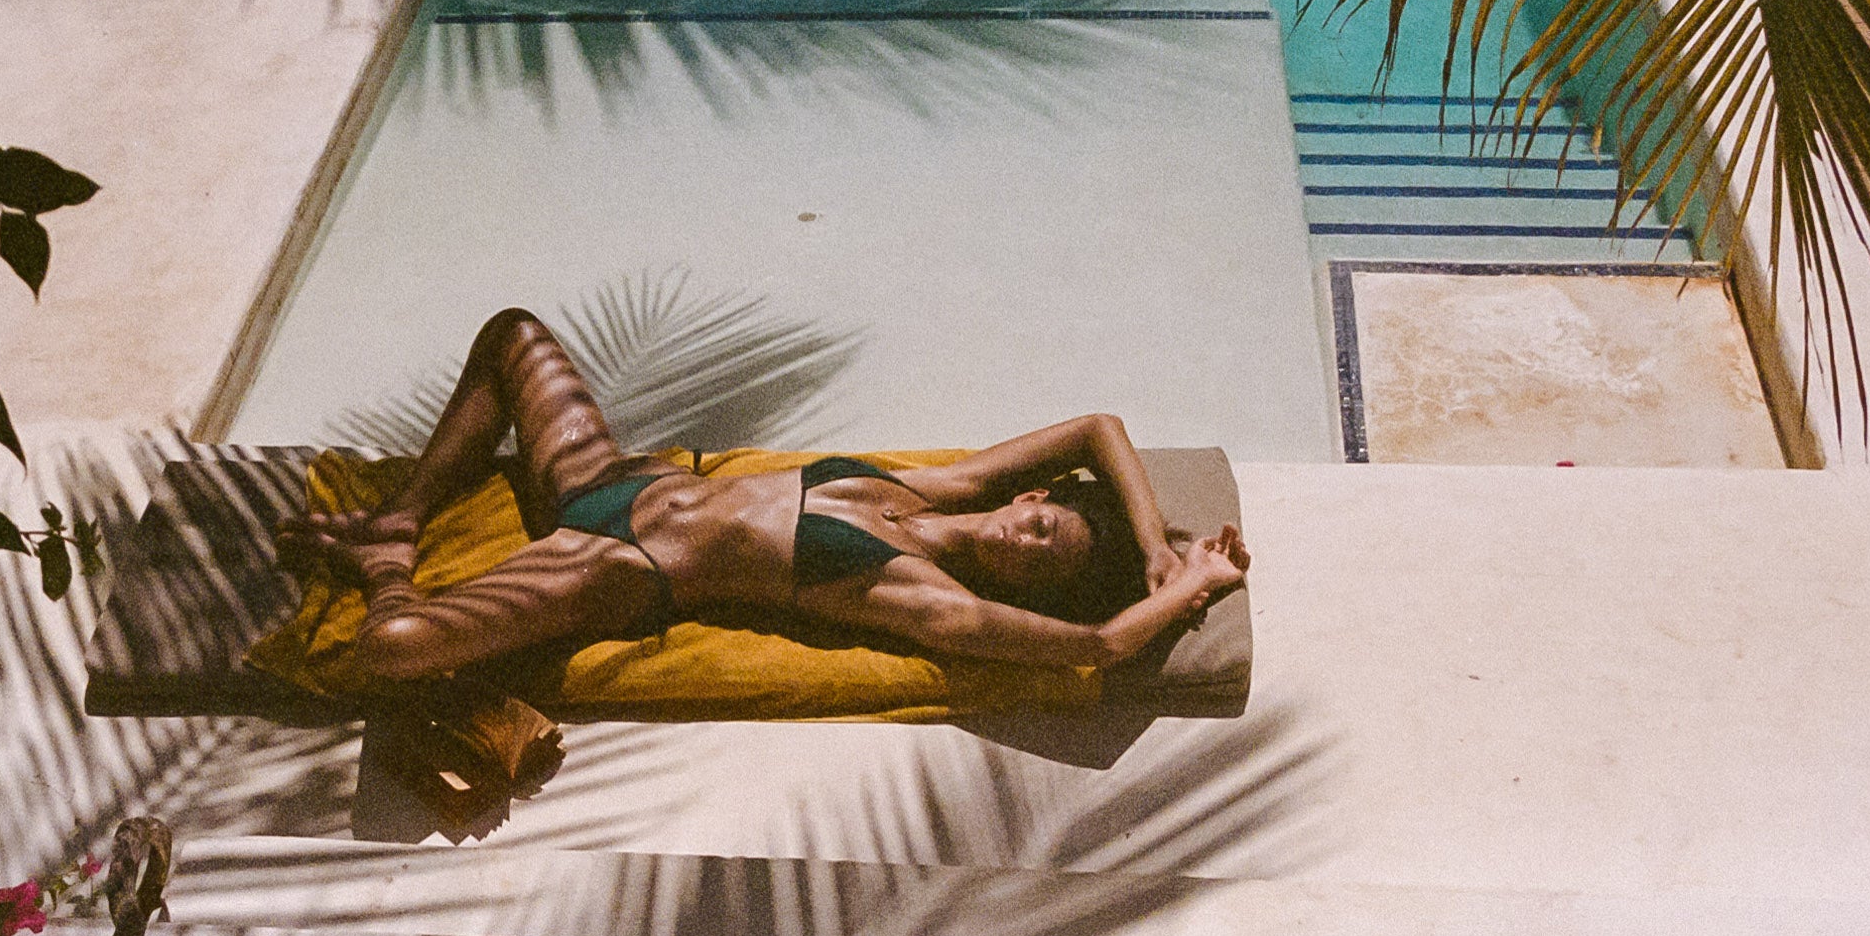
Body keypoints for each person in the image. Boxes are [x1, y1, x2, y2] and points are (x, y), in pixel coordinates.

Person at [283, 308, 1248, 682]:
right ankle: (402, 513)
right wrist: (1153, 544)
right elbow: (1096, 428)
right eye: (1043, 524)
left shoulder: (922, 595)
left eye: (1039, 563)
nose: (1026, 540)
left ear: (1020, 589)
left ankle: (386, 563)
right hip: (619, 482)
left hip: (619, 563)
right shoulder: (928, 486)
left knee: (393, 644)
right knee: (513, 335)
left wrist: (1186, 591)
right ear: (1027, 496)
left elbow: (1095, 647)